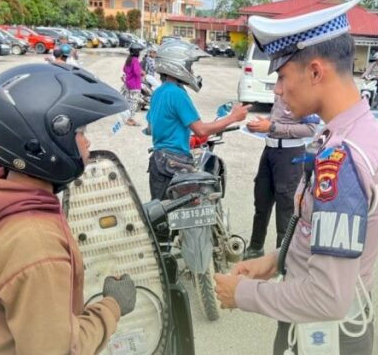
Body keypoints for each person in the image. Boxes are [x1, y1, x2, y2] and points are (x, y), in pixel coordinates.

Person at [213, 0, 378, 354]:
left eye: (282, 76)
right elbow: (315, 231)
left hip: (325, 337)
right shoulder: (360, 133)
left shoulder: (342, 159)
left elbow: (327, 298)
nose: (277, 90)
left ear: (315, 72)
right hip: (330, 327)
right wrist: (275, 261)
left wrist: (242, 295)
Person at [0, 63, 137, 354]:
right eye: (79, 132)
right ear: (40, 143)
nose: (88, 143)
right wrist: (112, 307)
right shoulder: (37, 242)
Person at [147, 40, 251, 200]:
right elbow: (201, 129)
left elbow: (152, 127)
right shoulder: (177, 94)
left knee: (162, 216)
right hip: (175, 162)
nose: (191, 70)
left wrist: (178, 136)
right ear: (177, 65)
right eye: (189, 65)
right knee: (194, 208)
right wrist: (233, 117)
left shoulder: (158, 92)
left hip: (157, 161)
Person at [243, 96, 317, 260]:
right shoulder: (281, 89)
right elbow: (278, 119)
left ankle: (282, 257)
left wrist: (273, 126)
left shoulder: (302, 91)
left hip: (289, 155)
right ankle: (255, 247)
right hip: (269, 151)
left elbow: (310, 129)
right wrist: (263, 124)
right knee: (261, 202)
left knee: (285, 209)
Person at [123, 43, 146, 126]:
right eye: (139, 51)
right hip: (135, 85)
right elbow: (137, 72)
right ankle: (130, 119)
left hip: (128, 83)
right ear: (136, 52)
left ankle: (127, 118)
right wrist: (142, 72)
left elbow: (124, 69)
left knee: (129, 101)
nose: (140, 53)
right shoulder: (135, 60)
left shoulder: (129, 59)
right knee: (134, 102)